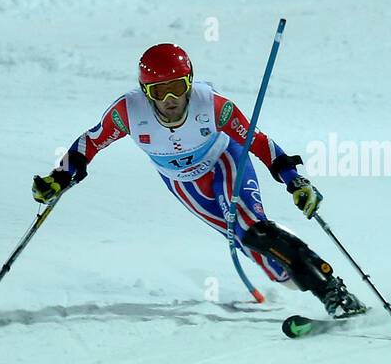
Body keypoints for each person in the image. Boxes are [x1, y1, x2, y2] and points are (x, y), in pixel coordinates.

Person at [33, 43, 364, 316]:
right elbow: (89, 144)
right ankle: (293, 263)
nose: (169, 100)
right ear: (145, 91)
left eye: (177, 88)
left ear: (190, 83)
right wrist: (60, 177)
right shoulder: (128, 112)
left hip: (225, 161)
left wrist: (295, 181)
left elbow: (260, 142)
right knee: (267, 260)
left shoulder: (213, 106)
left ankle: (331, 291)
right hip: (185, 184)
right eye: (159, 91)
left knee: (253, 228)